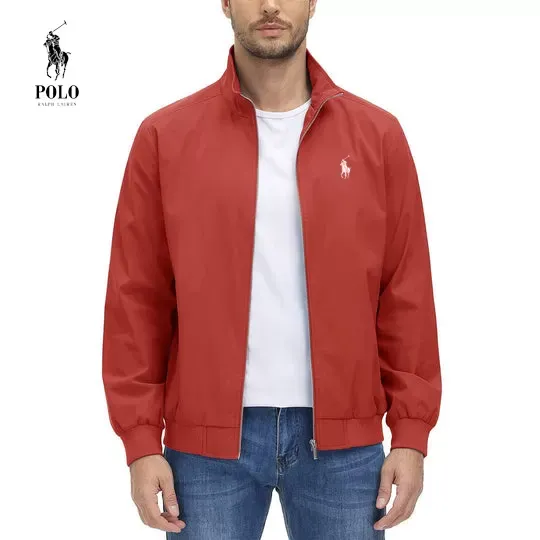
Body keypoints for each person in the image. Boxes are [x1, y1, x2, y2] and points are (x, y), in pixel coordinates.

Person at [101, 1, 442, 538]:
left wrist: (411, 432)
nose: (270, 5)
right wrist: (141, 441)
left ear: (313, 2)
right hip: (205, 452)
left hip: (346, 450)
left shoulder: (377, 136)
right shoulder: (165, 137)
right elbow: (136, 298)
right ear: (225, 3)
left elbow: (406, 293)